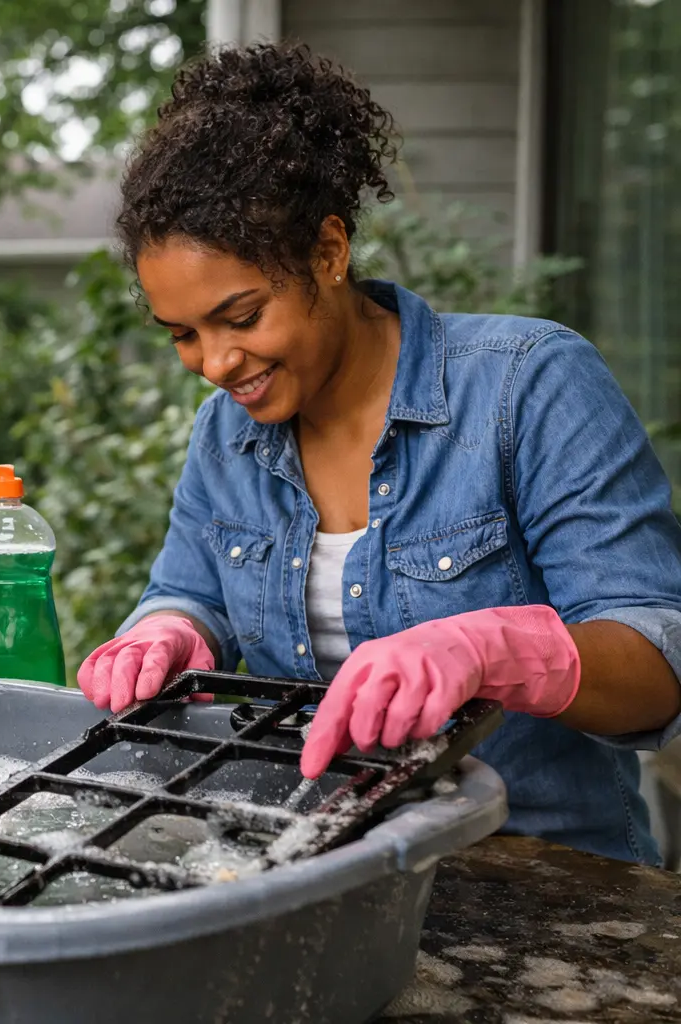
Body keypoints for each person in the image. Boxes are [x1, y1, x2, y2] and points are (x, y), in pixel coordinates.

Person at [77, 43, 681, 865]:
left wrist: (492, 650)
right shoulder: (227, 433)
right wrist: (170, 631)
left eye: (242, 317)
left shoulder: (527, 386)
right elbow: (192, 593)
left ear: (328, 253)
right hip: (322, 869)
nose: (216, 364)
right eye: (184, 334)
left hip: (543, 878)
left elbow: (656, 663)